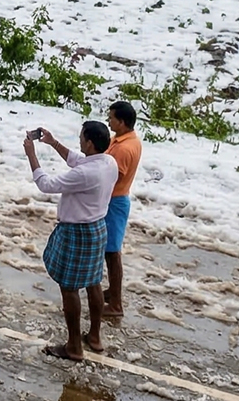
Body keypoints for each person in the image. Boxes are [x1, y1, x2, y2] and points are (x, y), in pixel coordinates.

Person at [27, 121, 119, 361]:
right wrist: (53, 142)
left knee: (69, 288)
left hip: (77, 231)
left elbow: (46, 184)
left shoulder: (85, 174)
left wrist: (31, 155)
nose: (79, 140)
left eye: (81, 137)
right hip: (98, 227)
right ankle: (95, 337)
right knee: (94, 282)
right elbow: (77, 159)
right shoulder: (108, 162)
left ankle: (74, 346)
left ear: (89, 142)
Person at [100, 101, 143, 317]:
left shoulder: (125, 148)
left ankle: (116, 303)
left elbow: (111, 176)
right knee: (109, 251)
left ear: (122, 122)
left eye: (112, 118)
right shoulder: (126, 140)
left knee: (112, 253)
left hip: (114, 202)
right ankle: (112, 292)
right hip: (116, 200)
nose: (109, 121)